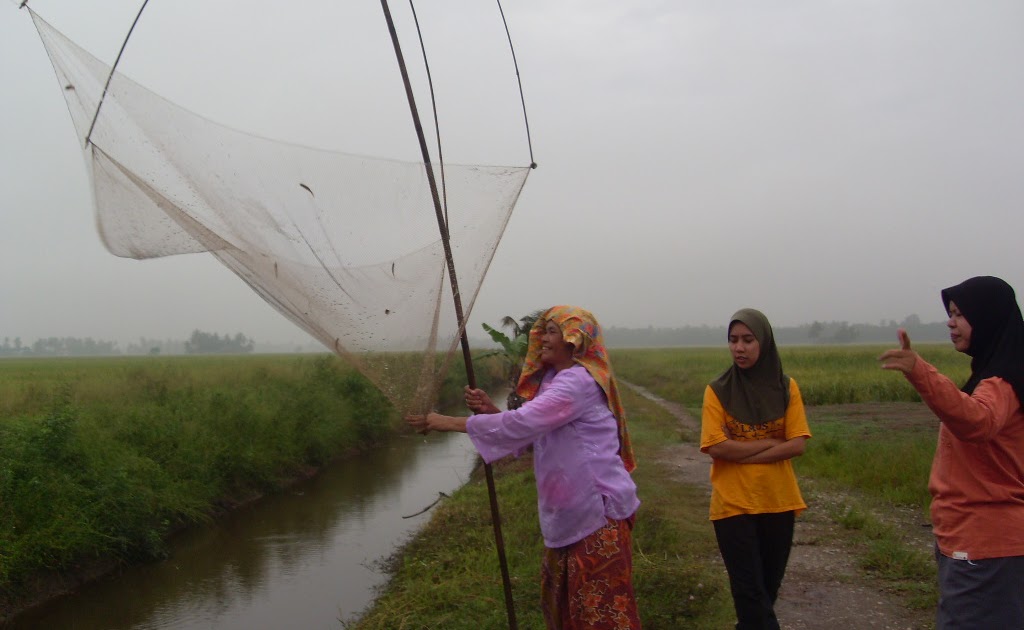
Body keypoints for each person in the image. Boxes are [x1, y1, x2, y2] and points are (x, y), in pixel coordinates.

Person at [407, 305, 642, 629]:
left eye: (551, 332)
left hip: (597, 514)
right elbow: (535, 433)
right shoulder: (554, 381)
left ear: (574, 340)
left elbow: (524, 422)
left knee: (598, 613)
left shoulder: (577, 382)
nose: (542, 339)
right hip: (570, 515)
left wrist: (444, 421)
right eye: (542, 331)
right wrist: (490, 411)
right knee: (568, 610)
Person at [879, 276, 1024, 628]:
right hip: (976, 540)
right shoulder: (996, 374)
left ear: (988, 318)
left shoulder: (1001, 382)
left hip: (985, 545)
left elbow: (977, 422)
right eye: (950, 313)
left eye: (960, 314)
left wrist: (920, 371)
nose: (950, 322)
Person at [700, 308, 811, 630]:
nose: (739, 347)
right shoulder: (718, 390)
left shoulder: (787, 388)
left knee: (766, 594)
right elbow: (716, 446)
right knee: (750, 595)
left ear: (764, 342)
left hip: (780, 501)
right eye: (733, 340)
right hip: (733, 505)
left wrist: (741, 453)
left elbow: (798, 444)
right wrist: (774, 445)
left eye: (748, 340)